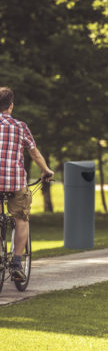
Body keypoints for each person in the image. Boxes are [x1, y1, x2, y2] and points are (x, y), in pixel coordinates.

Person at [0, 87, 54, 280]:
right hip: (14, 182)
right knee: (21, 218)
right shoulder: (20, 126)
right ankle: (16, 263)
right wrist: (46, 170)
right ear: (11, 106)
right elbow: (34, 153)